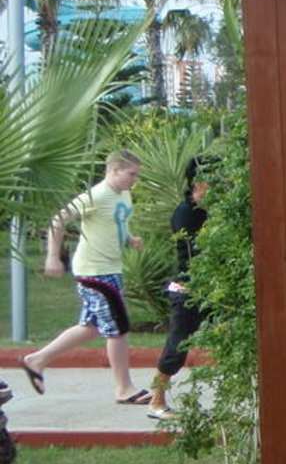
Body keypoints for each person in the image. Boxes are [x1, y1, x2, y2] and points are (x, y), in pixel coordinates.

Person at [20, 149, 150, 404]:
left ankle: (36, 360)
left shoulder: (123, 194)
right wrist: (52, 257)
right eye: (131, 174)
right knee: (118, 328)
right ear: (114, 170)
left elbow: (117, 221)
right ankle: (124, 389)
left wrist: (129, 238)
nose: (135, 180)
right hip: (95, 272)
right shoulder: (96, 195)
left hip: (111, 269)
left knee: (91, 328)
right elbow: (58, 220)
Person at [148, 157, 212, 419]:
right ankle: (156, 400)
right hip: (189, 289)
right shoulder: (186, 213)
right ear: (198, 182)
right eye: (214, 179)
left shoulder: (211, 210)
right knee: (177, 346)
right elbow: (194, 254)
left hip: (213, 287)